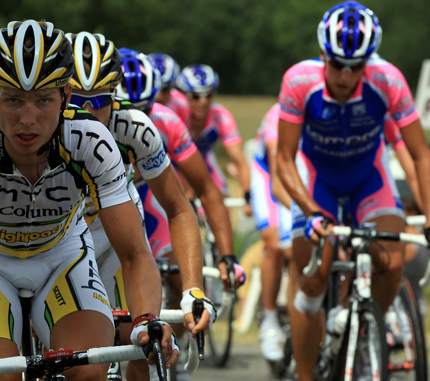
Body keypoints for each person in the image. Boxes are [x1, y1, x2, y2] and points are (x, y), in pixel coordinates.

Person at [0, 20, 176, 381]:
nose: (27, 120)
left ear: (65, 95)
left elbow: (135, 254)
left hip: (62, 257)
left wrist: (145, 321)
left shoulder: (92, 142)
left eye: (43, 100)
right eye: (13, 100)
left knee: (90, 371)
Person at [275, 2, 430, 379]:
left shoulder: (388, 79)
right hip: (318, 183)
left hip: (367, 179)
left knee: (393, 262)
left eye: (356, 66)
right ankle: (306, 373)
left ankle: (364, 332)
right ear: (322, 55)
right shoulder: (299, 81)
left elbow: (420, 154)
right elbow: (283, 158)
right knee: (311, 278)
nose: (345, 76)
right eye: (337, 65)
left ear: (369, 61)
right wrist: (311, 211)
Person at [115, 47, 245, 380]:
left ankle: (177, 355)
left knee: (176, 276)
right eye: (129, 110)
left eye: (145, 109)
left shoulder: (165, 121)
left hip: (149, 206)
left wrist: (226, 258)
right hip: (103, 216)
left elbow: (206, 191)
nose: (138, 120)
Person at [175, 64, 252, 215]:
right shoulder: (176, 116)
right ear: (184, 96)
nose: (203, 102)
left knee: (222, 203)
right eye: (196, 96)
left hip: (205, 163)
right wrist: (189, 191)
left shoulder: (220, 116)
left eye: (208, 95)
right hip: (176, 166)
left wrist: (247, 194)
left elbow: (240, 161)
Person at [250, 103, 294, 364]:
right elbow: (278, 181)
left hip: (300, 174)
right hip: (270, 177)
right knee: (277, 245)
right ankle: (269, 317)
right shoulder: (279, 117)